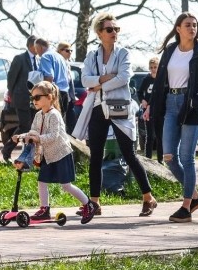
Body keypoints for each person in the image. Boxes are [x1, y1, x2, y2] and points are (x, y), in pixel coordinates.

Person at [72, 12, 157, 218]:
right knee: (95, 156)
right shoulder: (92, 56)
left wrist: (99, 84)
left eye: (116, 29)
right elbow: (85, 80)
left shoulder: (123, 53)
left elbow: (124, 78)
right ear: (99, 33)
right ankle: (94, 202)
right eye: (109, 29)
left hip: (119, 108)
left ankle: (148, 198)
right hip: (97, 108)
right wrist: (105, 78)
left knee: (129, 154)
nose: (114, 33)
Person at [147, 11, 198, 223]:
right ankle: (195, 196)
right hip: (171, 103)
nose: (192, 28)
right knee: (168, 156)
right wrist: (152, 104)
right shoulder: (170, 51)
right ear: (178, 29)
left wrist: (195, 102)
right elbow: (160, 82)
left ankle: (186, 206)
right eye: (187, 25)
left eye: (194, 25)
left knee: (187, 157)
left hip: (191, 106)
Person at [13, 81, 96, 224]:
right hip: (48, 155)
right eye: (32, 98)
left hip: (61, 154)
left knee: (66, 185)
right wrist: (22, 136)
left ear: (50, 97)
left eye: (37, 97)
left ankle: (88, 204)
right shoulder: (39, 115)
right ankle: (44, 209)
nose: (34, 101)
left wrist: (37, 138)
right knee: (42, 181)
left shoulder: (54, 115)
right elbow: (33, 132)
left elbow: (54, 136)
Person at [2, 35, 40, 162]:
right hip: (21, 98)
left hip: (34, 100)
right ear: (31, 46)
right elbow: (11, 78)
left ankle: (29, 156)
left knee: (32, 128)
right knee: (24, 126)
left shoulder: (38, 60)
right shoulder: (20, 59)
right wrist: (13, 95)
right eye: (37, 45)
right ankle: (7, 149)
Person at [38, 38, 73, 125]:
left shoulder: (46, 56)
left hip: (54, 93)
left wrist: (44, 95)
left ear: (40, 47)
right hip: (65, 93)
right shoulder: (61, 58)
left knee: (51, 125)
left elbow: (49, 77)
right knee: (60, 124)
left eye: (36, 49)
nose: (36, 52)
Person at [137, 57, 160, 161]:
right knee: (149, 136)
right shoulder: (146, 79)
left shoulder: (161, 78)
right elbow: (140, 92)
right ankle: (148, 159)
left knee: (160, 136)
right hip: (148, 110)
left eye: (155, 67)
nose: (153, 69)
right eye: (151, 67)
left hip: (159, 109)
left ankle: (160, 159)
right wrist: (142, 100)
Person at [56, 42, 77, 131]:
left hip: (69, 98)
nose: (70, 53)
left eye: (71, 51)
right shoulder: (56, 62)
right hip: (60, 96)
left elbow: (70, 82)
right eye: (67, 50)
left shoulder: (68, 63)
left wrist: (73, 96)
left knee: (72, 123)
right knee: (61, 122)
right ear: (60, 51)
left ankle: (72, 143)